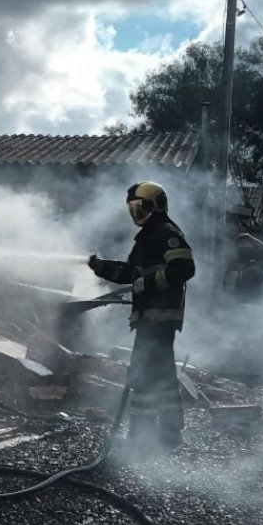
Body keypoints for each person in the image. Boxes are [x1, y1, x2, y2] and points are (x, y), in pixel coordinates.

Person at [87, 181, 195, 451]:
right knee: (161, 376)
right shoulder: (148, 236)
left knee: (144, 374)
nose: (137, 214)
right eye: (133, 209)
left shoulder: (165, 232)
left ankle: (143, 437)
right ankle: (168, 435)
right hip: (152, 318)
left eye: (142, 207)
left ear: (157, 206)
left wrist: (146, 284)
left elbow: (183, 268)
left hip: (159, 318)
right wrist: (100, 267)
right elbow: (130, 273)